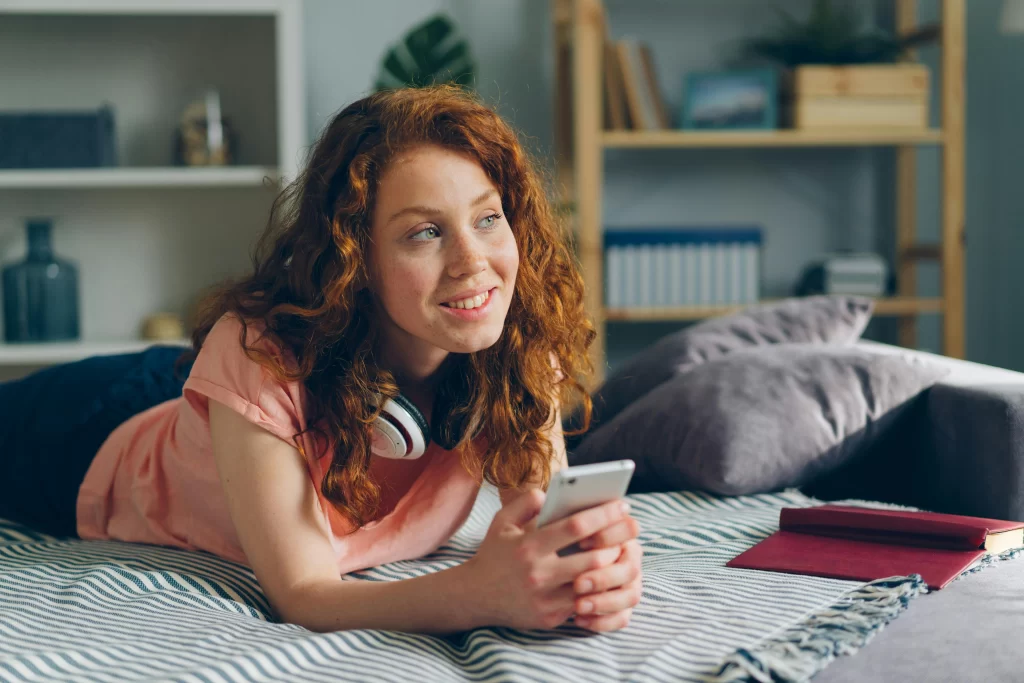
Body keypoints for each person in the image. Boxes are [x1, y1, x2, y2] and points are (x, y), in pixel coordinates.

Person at [0, 85, 642, 635]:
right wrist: (476, 593)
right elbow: (305, 593)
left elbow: (543, 529)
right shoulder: (257, 355)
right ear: (354, 259)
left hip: (222, 410)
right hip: (97, 429)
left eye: (488, 219)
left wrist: (588, 577)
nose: (474, 263)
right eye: (425, 231)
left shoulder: (514, 341)